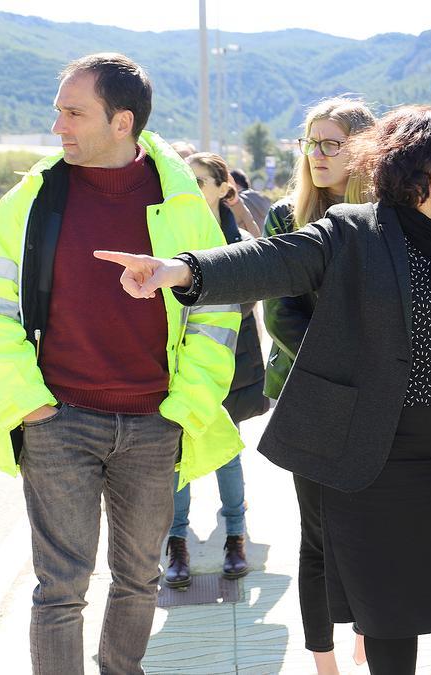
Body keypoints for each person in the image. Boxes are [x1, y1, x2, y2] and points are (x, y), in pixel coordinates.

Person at [95, 105, 431, 675]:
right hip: (381, 468)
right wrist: (181, 271)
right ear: (422, 172)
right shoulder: (355, 233)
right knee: (391, 620)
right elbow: (271, 261)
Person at [0, 53, 240, 675]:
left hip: (153, 424)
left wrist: (180, 409)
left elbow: (218, 317)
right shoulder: (31, 199)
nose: (58, 125)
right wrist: (33, 405)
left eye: (73, 112)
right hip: (58, 421)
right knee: (60, 589)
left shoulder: (184, 205)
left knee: (140, 579)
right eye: (59, 110)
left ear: (122, 122)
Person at [262, 96, 375, 675]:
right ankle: (323, 657)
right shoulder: (287, 217)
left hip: (377, 400)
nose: (317, 154)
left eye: (331, 143)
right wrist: (342, 368)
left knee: (370, 526)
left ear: (361, 150)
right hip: (309, 395)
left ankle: (367, 636)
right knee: (318, 535)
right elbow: (280, 316)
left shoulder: (388, 218)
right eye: (311, 142)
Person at [163, 152, 269, 588]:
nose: (190, 186)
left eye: (200, 180)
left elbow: (252, 296)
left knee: (226, 448)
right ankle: (177, 544)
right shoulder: (168, 231)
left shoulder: (239, 238)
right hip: (178, 357)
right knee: (177, 452)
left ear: (224, 189)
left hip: (228, 358)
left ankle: (234, 538)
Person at [230, 167, 271, 231]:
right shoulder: (263, 198)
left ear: (234, 184)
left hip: (249, 239)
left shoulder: (237, 201)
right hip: (266, 239)